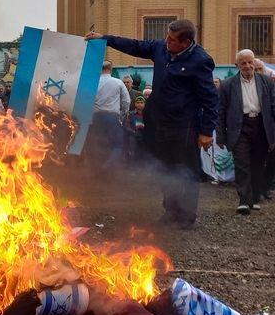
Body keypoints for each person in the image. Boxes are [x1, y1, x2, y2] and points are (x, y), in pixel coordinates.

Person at [86, 19, 218, 229]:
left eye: (172, 39)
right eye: (167, 36)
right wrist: (105, 39)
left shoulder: (200, 61)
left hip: (183, 127)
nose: (166, 41)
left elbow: (210, 99)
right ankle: (170, 210)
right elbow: (135, 46)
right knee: (166, 170)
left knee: (186, 172)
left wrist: (206, 131)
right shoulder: (161, 49)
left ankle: (186, 217)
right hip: (159, 125)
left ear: (186, 42)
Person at [217, 49, 275, 214]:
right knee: (242, 163)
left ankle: (255, 197)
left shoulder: (267, 82)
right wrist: (220, 136)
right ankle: (243, 200)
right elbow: (220, 112)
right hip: (239, 127)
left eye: (250, 62)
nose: (248, 66)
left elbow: (273, 108)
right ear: (237, 65)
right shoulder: (227, 85)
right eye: (243, 63)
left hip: (261, 126)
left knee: (258, 164)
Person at [86, 61, 130, 173]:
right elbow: (126, 101)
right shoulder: (118, 83)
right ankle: (107, 168)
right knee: (117, 144)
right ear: (111, 69)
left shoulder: (92, 83)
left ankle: (97, 169)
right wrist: (122, 115)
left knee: (97, 143)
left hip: (96, 118)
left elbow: (86, 100)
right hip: (112, 117)